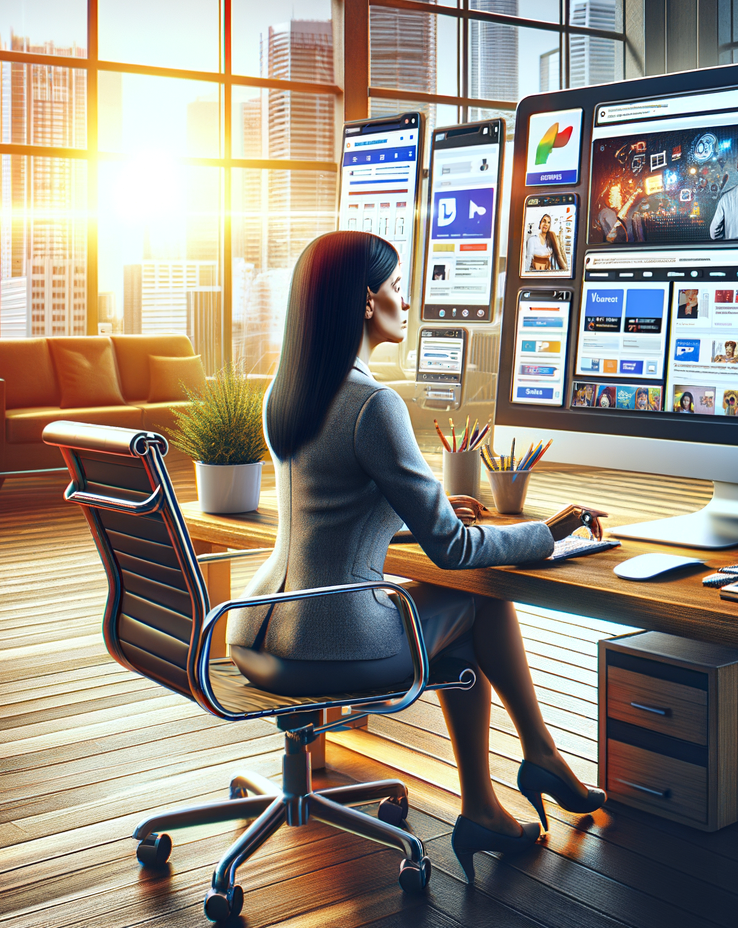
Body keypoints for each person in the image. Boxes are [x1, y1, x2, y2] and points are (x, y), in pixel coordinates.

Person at [229, 231, 608, 883]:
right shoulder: (374, 404)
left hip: (255, 629)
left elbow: (331, 511)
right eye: (398, 287)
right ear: (364, 302)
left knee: (462, 612)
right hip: (327, 643)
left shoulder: (287, 392)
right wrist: (549, 532)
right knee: (477, 600)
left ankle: (507, 787)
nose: (407, 301)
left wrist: (412, 516)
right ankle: (524, 768)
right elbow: (455, 550)